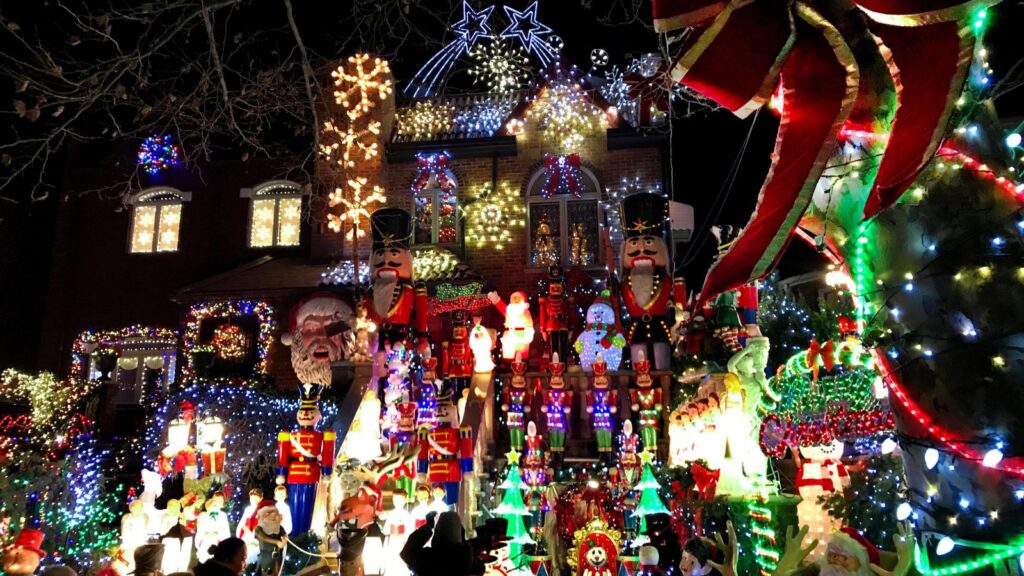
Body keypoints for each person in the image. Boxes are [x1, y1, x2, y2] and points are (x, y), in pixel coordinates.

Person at [400, 511, 483, 576]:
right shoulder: (465, 560)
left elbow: (406, 553)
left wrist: (428, 527)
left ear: (438, 533)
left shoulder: (431, 557)